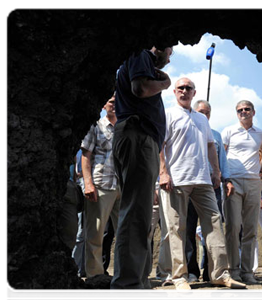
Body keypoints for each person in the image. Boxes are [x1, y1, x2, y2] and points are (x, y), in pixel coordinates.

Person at [159, 78, 246, 295]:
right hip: (177, 179)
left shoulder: (201, 119)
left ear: (194, 92)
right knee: (177, 227)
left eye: (189, 88)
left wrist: (216, 171)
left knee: (215, 224)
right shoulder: (167, 114)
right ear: (174, 91)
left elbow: (210, 145)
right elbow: (160, 144)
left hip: (203, 179)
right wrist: (163, 172)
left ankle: (219, 274)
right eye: (181, 88)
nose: (185, 91)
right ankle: (179, 276)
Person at [110, 46, 172, 300]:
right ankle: (128, 287)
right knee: (136, 212)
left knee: (141, 213)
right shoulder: (140, 54)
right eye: (170, 50)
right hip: (138, 136)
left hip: (140, 138)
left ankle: (138, 281)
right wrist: (165, 83)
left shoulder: (142, 61)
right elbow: (141, 89)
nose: (171, 55)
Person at [185, 100, 234, 283]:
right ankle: (191, 271)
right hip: (189, 185)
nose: (203, 115)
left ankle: (211, 272)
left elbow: (222, 161)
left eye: (206, 112)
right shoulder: (187, 131)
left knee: (213, 230)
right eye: (200, 111)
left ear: (210, 115)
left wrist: (226, 180)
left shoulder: (216, 136)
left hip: (212, 187)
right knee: (188, 229)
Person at [221, 100, 262, 283]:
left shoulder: (260, 134)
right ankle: (233, 270)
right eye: (240, 110)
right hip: (232, 182)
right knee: (233, 227)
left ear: (253, 112)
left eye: (246, 109)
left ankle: (247, 272)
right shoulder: (229, 131)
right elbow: (222, 156)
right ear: (237, 113)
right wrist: (226, 179)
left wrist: (260, 172)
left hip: (253, 183)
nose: (243, 112)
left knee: (250, 228)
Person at [81, 94, 121, 278]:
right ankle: (95, 277)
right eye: (111, 101)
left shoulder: (125, 128)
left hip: (122, 187)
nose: (114, 105)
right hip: (101, 185)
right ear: (104, 105)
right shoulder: (95, 126)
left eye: (117, 101)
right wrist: (88, 183)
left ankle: (124, 277)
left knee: (126, 235)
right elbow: (86, 155)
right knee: (95, 235)